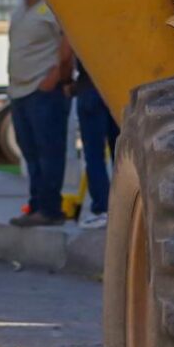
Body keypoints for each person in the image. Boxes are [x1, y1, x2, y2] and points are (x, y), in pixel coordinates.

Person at [4, 0, 74, 226]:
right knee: (30, 154)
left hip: (43, 90)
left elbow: (70, 39)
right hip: (19, 91)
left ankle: (50, 209)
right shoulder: (22, 7)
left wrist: (56, 77)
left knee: (49, 153)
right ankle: (35, 206)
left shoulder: (53, 4)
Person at [69, 57, 116, 230]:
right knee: (121, 153)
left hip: (89, 88)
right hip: (115, 89)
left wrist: (67, 81)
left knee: (94, 155)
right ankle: (126, 208)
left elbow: (67, 52)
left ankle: (101, 209)